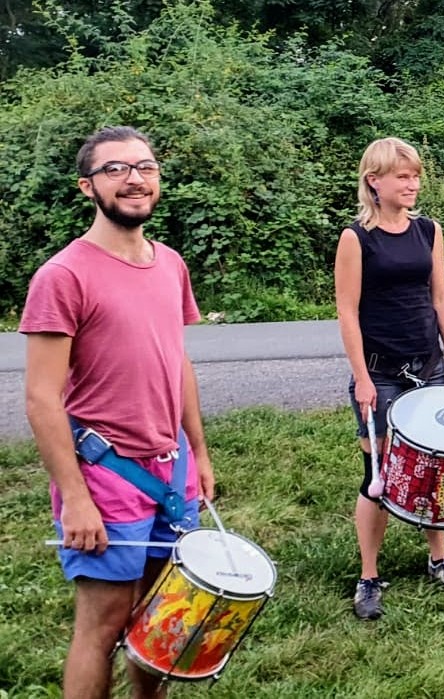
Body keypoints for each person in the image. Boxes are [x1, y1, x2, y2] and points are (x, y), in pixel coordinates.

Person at [22, 126, 215, 698]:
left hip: (170, 470)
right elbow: (40, 398)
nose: (134, 178)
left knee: (159, 620)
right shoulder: (62, 276)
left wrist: (197, 452)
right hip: (105, 475)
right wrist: (75, 497)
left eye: (145, 166)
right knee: (102, 628)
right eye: (115, 169)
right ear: (88, 186)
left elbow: (174, 361)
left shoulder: (170, 263)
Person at [335, 137, 444, 621]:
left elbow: (441, 299)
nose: (412, 183)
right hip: (380, 372)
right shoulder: (356, 239)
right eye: (402, 176)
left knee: (435, 465)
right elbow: (347, 311)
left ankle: (439, 558)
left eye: (415, 175)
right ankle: (368, 577)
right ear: (374, 181)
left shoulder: (428, 231)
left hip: (429, 366)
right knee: (377, 474)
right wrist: (361, 378)